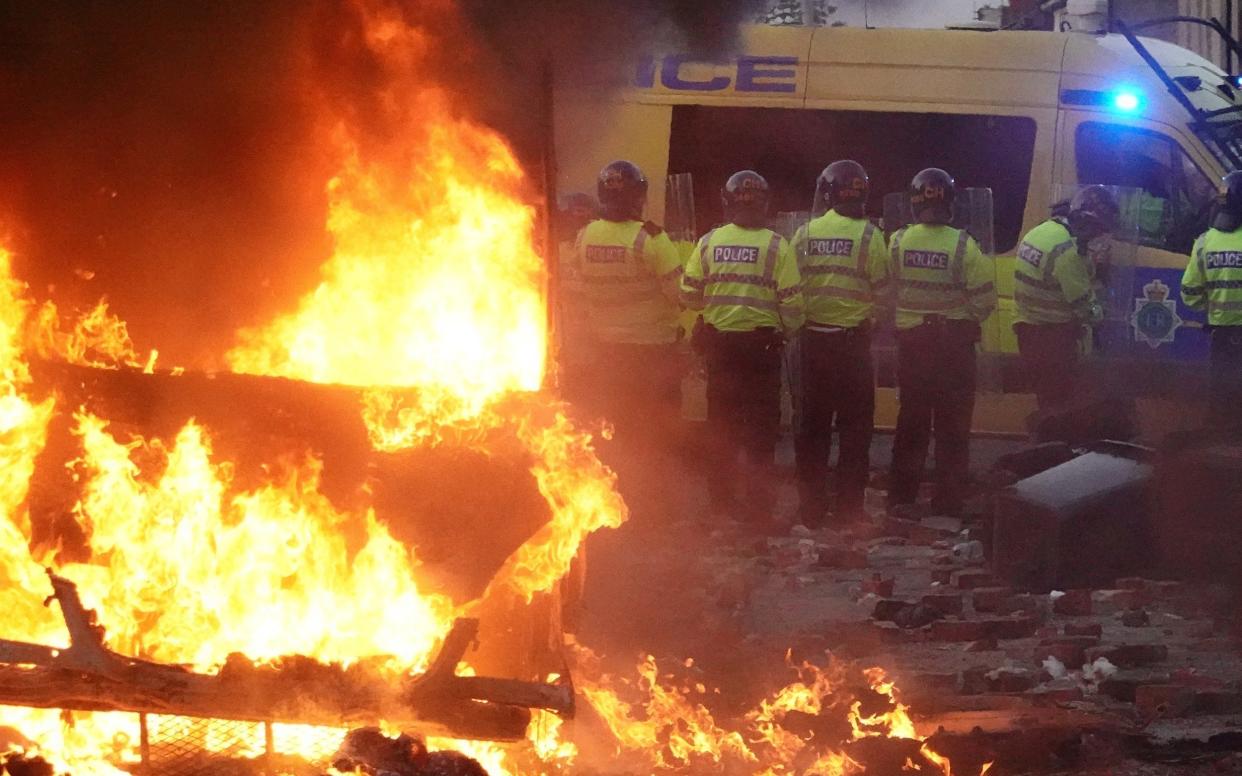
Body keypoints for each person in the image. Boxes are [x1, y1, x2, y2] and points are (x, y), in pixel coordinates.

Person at [681, 170, 805, 528]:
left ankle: (720, 506)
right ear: (765, 204)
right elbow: (793, 304)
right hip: (762, 349)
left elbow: (688, 295)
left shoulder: (708, 243)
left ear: (728, 201)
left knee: (721, 428)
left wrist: (714, 308)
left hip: (721, 350)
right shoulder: (777, 246)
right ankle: (759, 511)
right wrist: (788, 331)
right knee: (761, 433)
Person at [887, 168, 996, 517]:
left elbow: (888, 289)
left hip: (912, 346)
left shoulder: (898, 242)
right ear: (950, 203)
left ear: (914, 203)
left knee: (911, 425)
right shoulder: (965, 246)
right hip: (953, 349)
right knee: (953, 428)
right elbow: (984, 302)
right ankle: (948, 501)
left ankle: (901, 499)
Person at [791, 160, 889, 526]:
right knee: (855, 432)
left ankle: (811, 510)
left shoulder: (805, 233)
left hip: (813, 344)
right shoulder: (870, 236)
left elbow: (791, 285)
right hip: (852, 348)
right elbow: (882, 292)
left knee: (812, 431)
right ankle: (849, 510)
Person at [564, 160, 685, 438]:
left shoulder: (584, 237)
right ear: (639, 197)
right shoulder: (651, 238)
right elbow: (681, 293)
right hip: (653, 354)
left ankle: (616, 478)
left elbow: (575, 290)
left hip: (607, 353)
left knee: (615, 425)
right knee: (657, 430)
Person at [1013, 185, 1116, 414]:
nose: (1096, 237)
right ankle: (1053, 446)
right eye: (1096, 230)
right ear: (1085, 222)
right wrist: (1105, 314)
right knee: (1060, 407)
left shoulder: (1043, 231)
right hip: (1053, 341)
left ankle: (1045, 442)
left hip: (1029, 331)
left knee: (1047, 399)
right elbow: (1086, 310)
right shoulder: (1068, 252)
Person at [1182, 170, 1242, 430]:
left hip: (1221, 335)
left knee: (1221, 395)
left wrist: (1213, 304)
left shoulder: (1205, 242)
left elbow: (1190, 294)